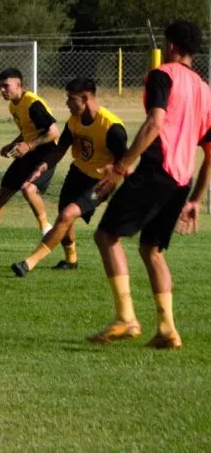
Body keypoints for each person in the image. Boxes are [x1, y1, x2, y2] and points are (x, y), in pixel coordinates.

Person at [88, 20, 211, 350]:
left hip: (157, 170)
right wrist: (197, 198)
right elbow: (210, 151)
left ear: (170, 46)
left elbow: (155, 123)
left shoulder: (163, 75)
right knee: (151, 250)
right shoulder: (204, 89)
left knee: (106, 235)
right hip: (181, 180)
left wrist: (121, 166)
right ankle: (167, 329)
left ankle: (126, 317)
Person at [10, 77, 127, 277]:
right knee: (65, 217)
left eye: (71, 99)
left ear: (85, 98)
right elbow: (60, 149)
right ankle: (71, 259)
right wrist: (43, 167)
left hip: (98, 183)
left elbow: (124, 162)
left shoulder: (112, 127)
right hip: (76, 174)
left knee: (66, 216)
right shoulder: (74, 121)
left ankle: (28, 263)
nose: (66, 103)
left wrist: (112, 177)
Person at [0, 68, 59, 250]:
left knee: (28, 190)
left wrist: (28, 145)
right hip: (29, 151)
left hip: (47, 153)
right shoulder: (13, 105)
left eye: (6, 86)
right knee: (3, 193)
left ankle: (47, 229)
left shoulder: (33, 104)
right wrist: (12, 144)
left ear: (18, 85)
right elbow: (27, 131)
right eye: (0, 86)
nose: (2, 90)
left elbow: (53, 133)